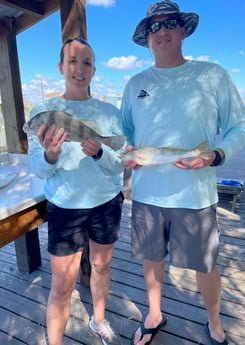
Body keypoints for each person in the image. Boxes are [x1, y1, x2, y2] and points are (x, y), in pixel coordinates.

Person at [120, 2, 245, 345]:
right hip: (147, 192)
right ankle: (154, 313)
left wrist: (216, 155)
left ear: (183, 30)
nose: (161, 30)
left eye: (170, 23)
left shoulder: (212, 74)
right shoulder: (135, 83)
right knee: (151, 258)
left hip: (195, 194)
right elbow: (125, 133)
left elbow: (240, 127)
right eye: (154, 26)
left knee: (205, 264)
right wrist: (128, 154)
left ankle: (214, 321)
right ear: (146, 37)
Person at [25, 37, 124, 345]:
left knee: (101, 266)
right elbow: (38, 168)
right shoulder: (44, 111)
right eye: (73, 61)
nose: (80, 69)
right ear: (60, 67)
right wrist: (50, 154)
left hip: (107, 202)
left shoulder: (109, 112)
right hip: (65, 208)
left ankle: (98, 319)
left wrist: (99, 152)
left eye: (87, 63)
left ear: (94, 70)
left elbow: (120, 163)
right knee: (62, 284)